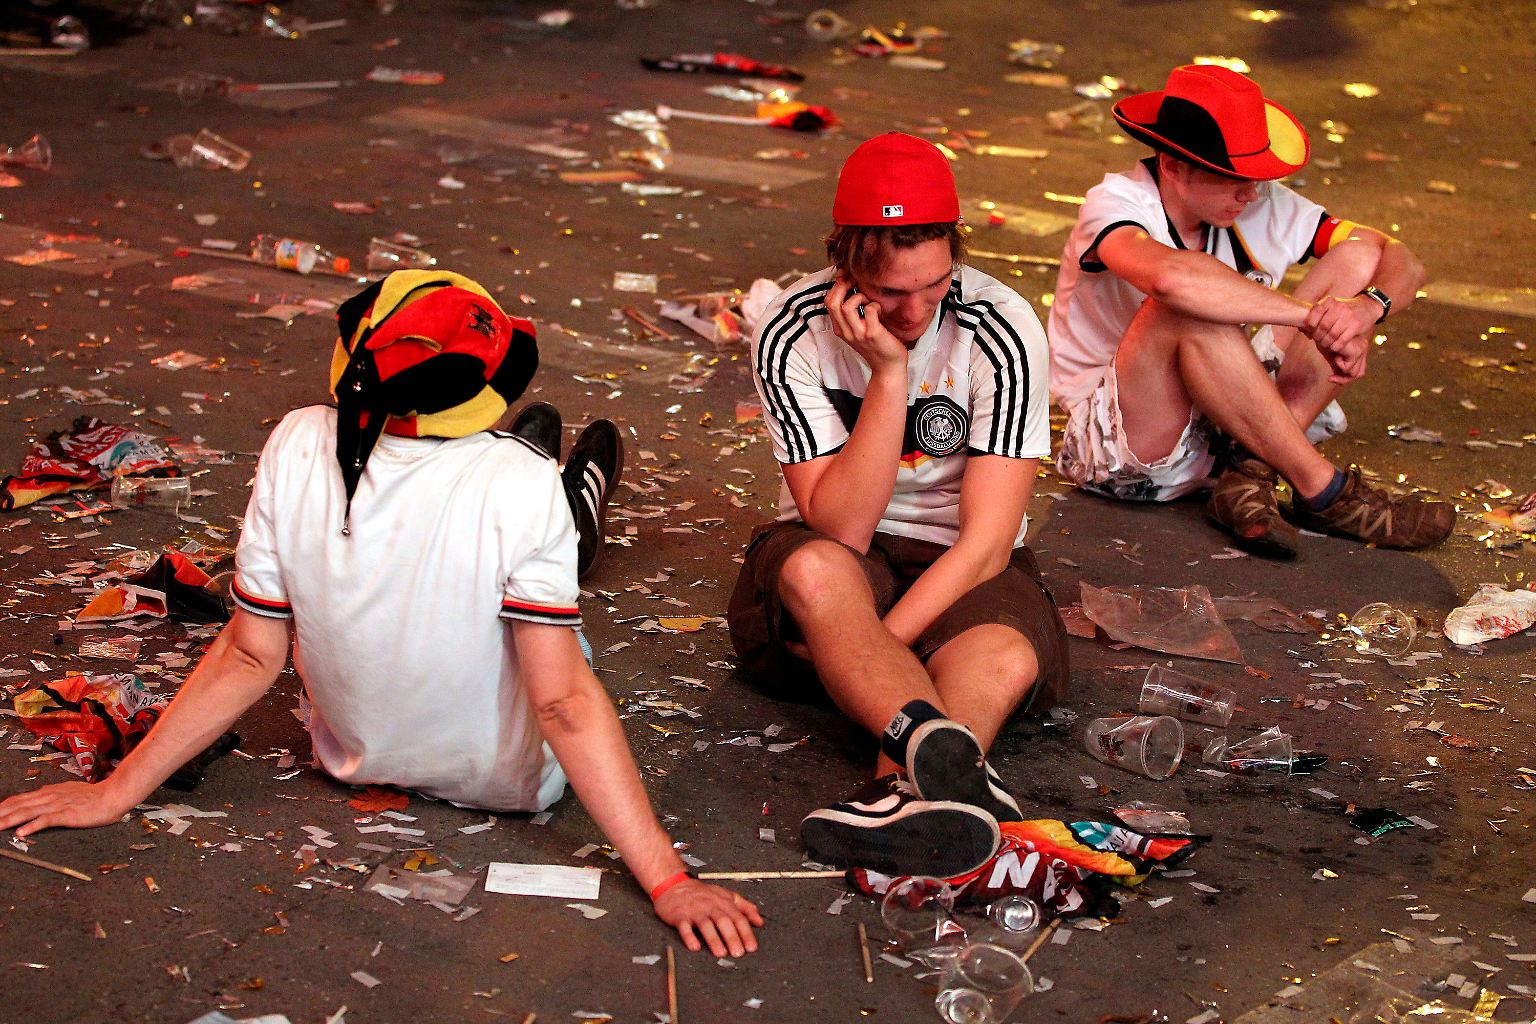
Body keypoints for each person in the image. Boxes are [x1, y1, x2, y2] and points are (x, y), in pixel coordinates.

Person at [0, 270, 762, 958]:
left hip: (354, 757)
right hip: (513, 783)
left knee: (501, 536)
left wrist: (114, 792)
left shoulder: (295, 442)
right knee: (554, 592)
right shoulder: (517, 487)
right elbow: (560, 700)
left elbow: (248, 655)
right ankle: (572, 493)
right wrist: (667, 880)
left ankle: (548, 487)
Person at [728, 133, 1069, 880]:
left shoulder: (1002, 326)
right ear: (846, 267)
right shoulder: (791, 328)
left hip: (959, 556)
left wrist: (871, 648)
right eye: (890, 294)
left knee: (1005, 655)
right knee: (819, 574)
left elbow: (983, 544)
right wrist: (890, 375)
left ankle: (899, 797)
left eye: (934, 285)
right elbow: (840, 524)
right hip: (846, 551)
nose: (915, 310)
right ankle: (945, 782)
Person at [1048, 64, 1456, 558]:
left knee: (1359, 257)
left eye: (1256, 179)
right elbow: (1171, 279)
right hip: (1124, 446)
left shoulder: (1253, 201)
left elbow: (1397, 256)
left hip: (1225, 419)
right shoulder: (1115, 201)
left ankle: (1250, 473)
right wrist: (1311, 318)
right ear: (1174, 165)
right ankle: (1324, 491)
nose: (1250, 193)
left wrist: (1366, 310)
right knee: (1184, 302)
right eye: (1231, 178)